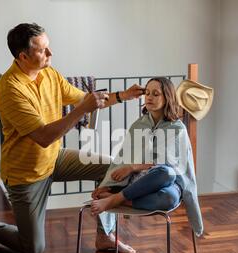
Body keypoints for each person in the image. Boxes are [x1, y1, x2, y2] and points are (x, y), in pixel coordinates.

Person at [0, 23, 144, 253]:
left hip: (55, 158)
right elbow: (43, 136)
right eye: (43, 50)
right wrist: (82, 110)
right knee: (32, 247)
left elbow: (85, 99)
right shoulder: (9, 90)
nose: (50, 53)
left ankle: (105, 237)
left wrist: (123, 96)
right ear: (23, 56)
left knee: (110, 168)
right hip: (26, 174)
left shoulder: (49, 73)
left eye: (48, 46)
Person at [90, 77, 210, 239]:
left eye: (156, 94)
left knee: (169, 184)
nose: (149, 97)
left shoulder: (178, 128)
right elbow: (123, 156)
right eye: (147, 93)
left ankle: (119, 200)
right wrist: (108, 185)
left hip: (164, 181)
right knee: (165, 173)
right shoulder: (138, 125)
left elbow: (180, 168)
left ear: (167, 97)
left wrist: (133, 167)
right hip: (138, 184)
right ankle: (119, 197)